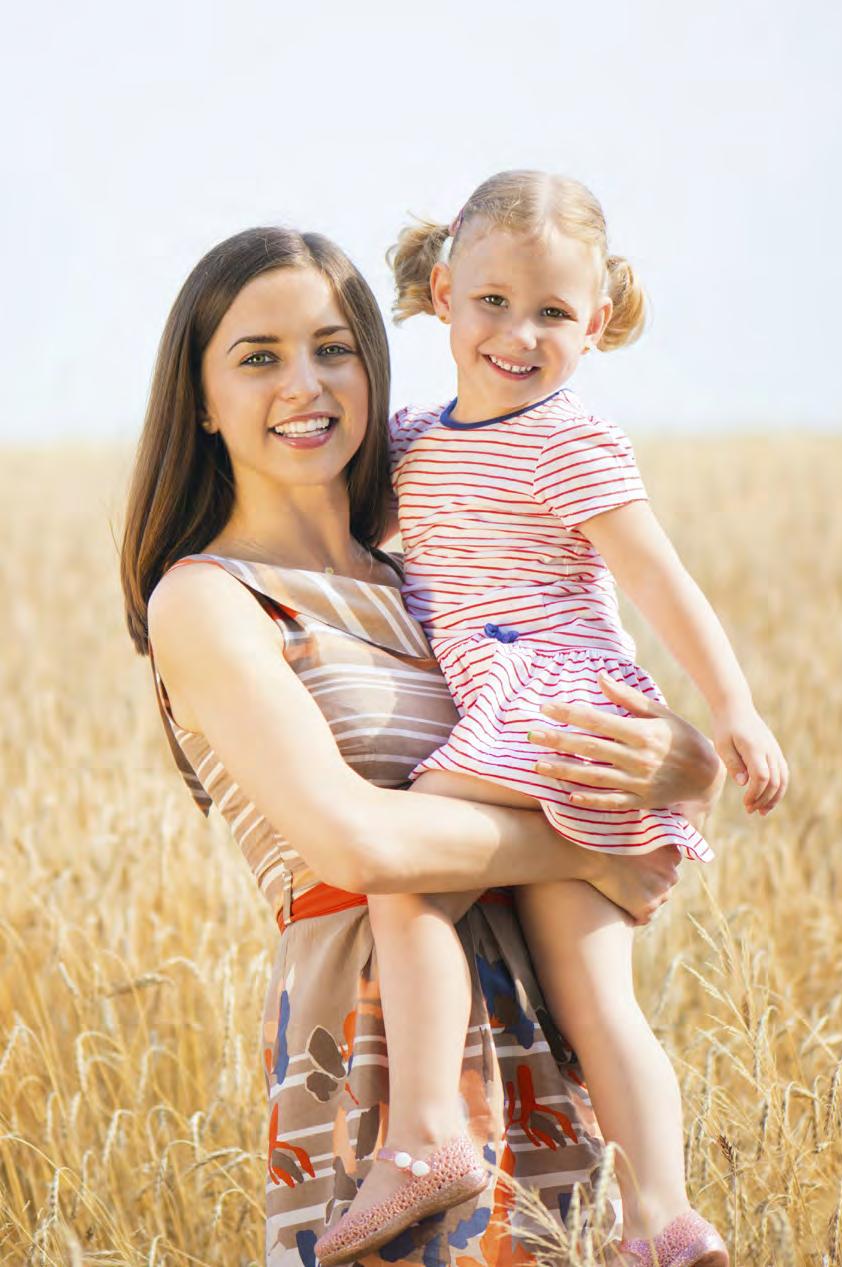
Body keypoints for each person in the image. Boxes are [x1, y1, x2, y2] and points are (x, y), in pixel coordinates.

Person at [120, 226, 725, 1267]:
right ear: (204, 400)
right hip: (376, 1055)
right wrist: (592, 844)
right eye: (258, 356)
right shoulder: (212, 599)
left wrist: (686, 768)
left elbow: (569, 733)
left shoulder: (437, 581)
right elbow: (360, 845)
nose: (304, 382)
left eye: (334, 346)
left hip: (535, 1024)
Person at [316, 172, 788, 1267]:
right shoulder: (413, 439)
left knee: (402, 864)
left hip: (554, 704)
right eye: (492, 302)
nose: (517, 333)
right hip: (548, 727)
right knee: (595, 996)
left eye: (553, 313)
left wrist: (737, 712)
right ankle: (660, 1219)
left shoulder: (570, 440)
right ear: (442, 292)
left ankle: (428, 1131)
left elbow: (663, 584)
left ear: (601, 322)